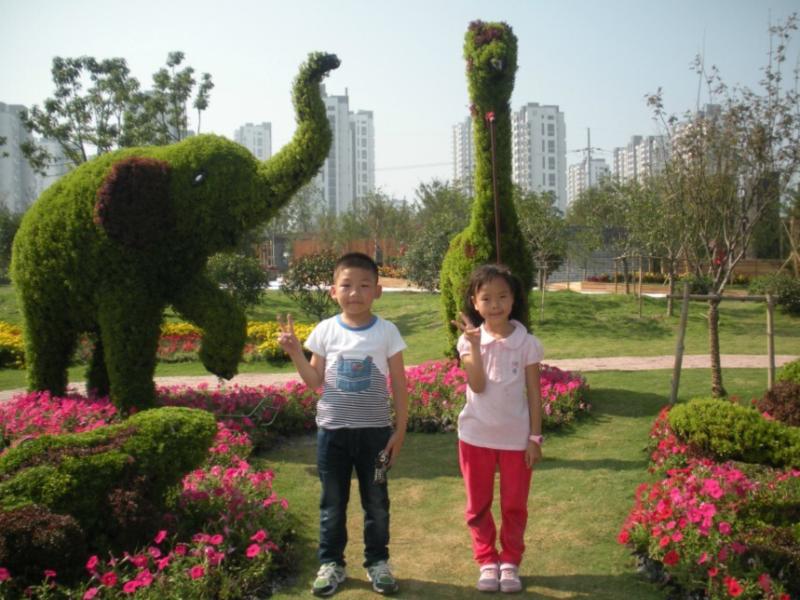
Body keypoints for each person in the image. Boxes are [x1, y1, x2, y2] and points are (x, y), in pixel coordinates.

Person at [277, 252, 408, 597]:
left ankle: (378, 563)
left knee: (376, 501)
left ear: (377, 291)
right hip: (332, 437)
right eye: (346, 285)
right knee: (332, 504)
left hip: (376, 438)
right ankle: (331, 564)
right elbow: (314, 381)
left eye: (364, 285)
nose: (355, 293)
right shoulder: (326, 330)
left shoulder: (387, 332)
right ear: (333, 291)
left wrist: (400, 431)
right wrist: (295, 353)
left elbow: (399, 384)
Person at [451, 263, 544, 594]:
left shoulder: (527, 343)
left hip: (516, 440)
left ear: (513, 299)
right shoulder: (467, 342)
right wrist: (475, 346)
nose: (495, 305)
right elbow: (477, 386)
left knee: (514, 506)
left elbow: (534, 393)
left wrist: (535, 438)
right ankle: (487, 560)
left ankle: (511, 561)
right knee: (478, 505)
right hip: (475, 437)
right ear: (475, 303)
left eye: (502, 296)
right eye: (486, 298)